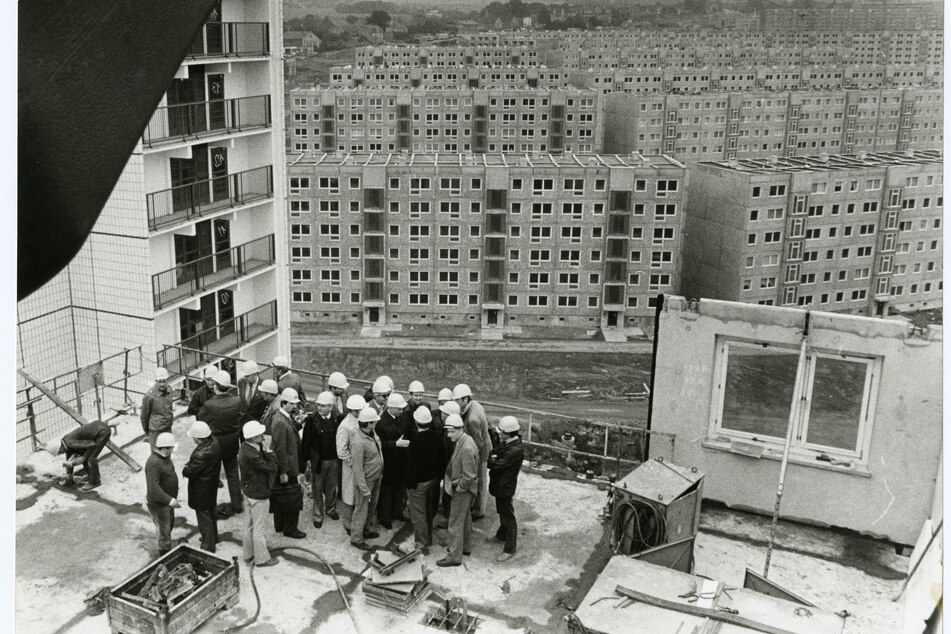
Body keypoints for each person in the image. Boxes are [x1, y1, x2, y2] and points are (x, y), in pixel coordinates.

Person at [198, 370, 243, 516]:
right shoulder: (237, 400)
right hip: (232, 441)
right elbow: (241, 416)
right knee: (233, 473)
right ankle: (237, 504)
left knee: (212, 475)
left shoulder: (210, 404)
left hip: (216, 443)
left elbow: (201, 420)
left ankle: (212, 506)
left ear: (216, 386)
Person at [437, 413, 479, 567]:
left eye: (452, 431)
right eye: (447, 431)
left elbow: (469, 476)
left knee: (454, 523)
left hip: (463, 490)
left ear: (460, 429)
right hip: (466, 489)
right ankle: (465, 547)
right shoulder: (465, 440)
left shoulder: (466, 447)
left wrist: (459, 489)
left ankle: (454, 556)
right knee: (466, 518)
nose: (449, 435)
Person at [238, 421, 279, 567]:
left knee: (248, 526)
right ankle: (262, 559)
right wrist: (269, 451)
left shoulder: (245, 447)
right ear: (254, 437)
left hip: (249, 491)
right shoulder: (253, 455)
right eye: (260, 435)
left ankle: (248, 555)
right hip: (258, 494)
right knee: (259, 529)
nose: (263, 436)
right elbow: (271, 467)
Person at [405, 406, 444, 553]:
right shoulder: (437, 436)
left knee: (418, 514)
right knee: (428, 510)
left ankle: (421, 543)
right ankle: (429, 538)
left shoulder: (415, 441)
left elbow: (412, 468)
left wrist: (409, 484)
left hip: (419, 484)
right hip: (433, 480)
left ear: (416, 422)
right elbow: (442, 459)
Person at [270, 387, 306, 539]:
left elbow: (288, 434)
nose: (295, 406)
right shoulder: (280, 421)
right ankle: (290, 528)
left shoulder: (283, 417)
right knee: (291, 498)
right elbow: (279, 449)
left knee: (281, 496)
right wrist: (283, 471)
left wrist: (299, 424)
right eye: (292, 404)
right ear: (284, 403)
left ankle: (279, 525)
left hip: (286, 466)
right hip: (287, 467)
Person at [301, 391, 340, 529]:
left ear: (331, 406)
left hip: (334, 460)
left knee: (332, 487)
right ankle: (318, 515)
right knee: (317, 489)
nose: (319, 408)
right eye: (318, 405)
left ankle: (330, 509)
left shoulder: (337, 418)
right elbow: (306, 441)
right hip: (319, 461)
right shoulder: (312, 420)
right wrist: (307, 460)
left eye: (323, 406)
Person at [453, 384, 492, 520]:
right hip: (481, 446)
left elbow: (478, 443)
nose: (455, 403)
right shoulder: (475, 405)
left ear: (465, 399)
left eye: (457, 400)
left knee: (481, 481)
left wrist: (471, 459)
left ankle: (479, 511)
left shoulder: (472, 419)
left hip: (481, 452)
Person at [489, 416, 524, 562]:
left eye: (501, 431)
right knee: (502, 511)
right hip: (501, 485)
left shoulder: (515, 450)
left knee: (508, 516)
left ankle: (509, 548)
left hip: (505, 487)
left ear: (508, 433)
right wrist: (494, 457)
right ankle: (501, 535)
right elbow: (494, 452)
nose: (499, 434)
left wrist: (493, 460)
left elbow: (496, 465)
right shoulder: (510, 443)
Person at [182, 421, 221, 553]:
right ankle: (213, 538)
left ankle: (208, 545)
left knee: (204, 518)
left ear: (199, 439)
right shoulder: (214, 443)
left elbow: (190, 472)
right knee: (210, 512)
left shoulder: (201, 454)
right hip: (211, 485)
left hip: (201, 489)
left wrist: (186, 468)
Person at [45, 419, 116, 491]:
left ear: (60, 449)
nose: (60, 454)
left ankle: (95, 482)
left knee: (91, 458)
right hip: (97, 428)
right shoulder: (66, 442)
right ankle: (91, 476)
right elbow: (69, 459)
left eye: (59, 453)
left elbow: (92, 444)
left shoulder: (71, 443)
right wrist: (69, 476)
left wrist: (83, 458)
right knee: (85, 456)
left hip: (102, 432)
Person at [350, 407, 383, 550]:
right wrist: (363, 488)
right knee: (361, 509)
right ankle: (356, 538)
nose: (376, 423)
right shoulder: (358, 441)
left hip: (376, 477)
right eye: (374, 421)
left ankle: (366, 531)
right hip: (367, 481)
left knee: (371, 507)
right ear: (369, 424)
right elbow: (357, 467)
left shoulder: (372, 433)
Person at [376, 392, 410, 529]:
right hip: (388, 462)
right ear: (390, 408)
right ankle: (385, 517)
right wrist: (395, 444)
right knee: (386, 491)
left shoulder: (401, 418)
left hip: (400, 461)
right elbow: (379, 445)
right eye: (399, 409)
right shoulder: (380, 422)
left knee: (398, 489)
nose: (401, 411)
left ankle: (397, 512)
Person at [336, 394, 367, 536]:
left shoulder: (360, 421)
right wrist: (354, 463)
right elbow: (341, 451)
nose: (359, 413)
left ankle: (358, 523)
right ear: (351, 410)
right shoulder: (345, 426)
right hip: (350, 467)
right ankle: (348, 524)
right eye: (357, 411)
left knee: (358, 496)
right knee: (349, 495)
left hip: (360, 466)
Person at [145, 432, 180, 557]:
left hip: (166, 502)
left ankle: (165, 548)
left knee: (168, 526)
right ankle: (165, 556)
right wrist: (170, 500)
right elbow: (154, 488)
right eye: (171, 448)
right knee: (164, 532)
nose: (172, 450)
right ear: (165, 449)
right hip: (159, 504)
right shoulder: (154, 463)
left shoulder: (164, 457)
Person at [141, 367, 174, 449]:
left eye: (164, 381)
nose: (162, 384)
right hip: (156, 430)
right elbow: (144, 417)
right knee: (156, 454)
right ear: (155, 381)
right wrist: (148, 433)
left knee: (168, 450)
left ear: (168, 380)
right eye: (159, 381)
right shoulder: (149, 396)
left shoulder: (169, 390)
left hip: (167, 427)